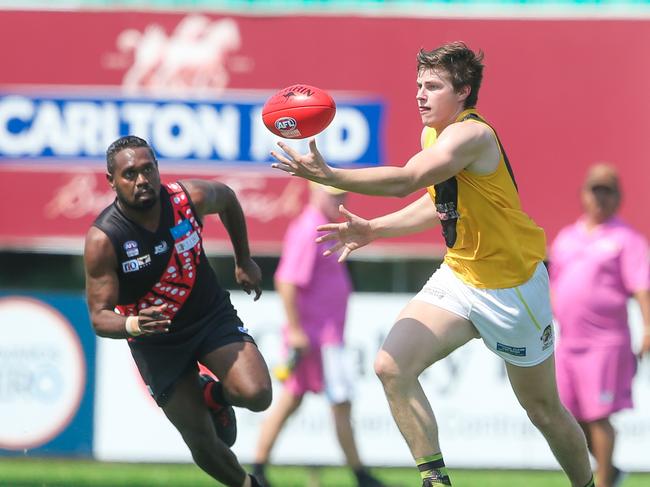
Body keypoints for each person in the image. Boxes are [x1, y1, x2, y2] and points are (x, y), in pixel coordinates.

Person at [270, 42, 595, 487]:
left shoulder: (471, 134)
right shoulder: (434, 135)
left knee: (541, 409)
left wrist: (330, 176)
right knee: (390, 366)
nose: (421, 95)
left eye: (434, 86)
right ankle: (435, 479)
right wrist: (374, 229)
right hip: (461, 275)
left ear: (463, 92)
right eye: (418, 85)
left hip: (513, 288)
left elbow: (408, 179)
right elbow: (437, 204)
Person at [84, 135, 272, 487]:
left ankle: (211, 393)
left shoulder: (188, 199)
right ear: (111, 181)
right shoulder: (104, 239)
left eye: (147, 169)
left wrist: (243, 259)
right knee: (203, 442)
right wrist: (134, 323)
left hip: (208, 316)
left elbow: (228, 199)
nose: (141, 180)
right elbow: (99, 317)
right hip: (155, 341)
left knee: (257, 394)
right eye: (129, 174)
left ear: (157, 169)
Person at [251, 182, 384, 487]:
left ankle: (257, 470)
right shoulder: (310, 228)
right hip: (316, 338)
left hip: (323, 336)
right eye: (333, 195)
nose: (340, 202)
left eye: (344, 196)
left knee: (299, 400)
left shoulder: (322, 227)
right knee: (337, 402)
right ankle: (362, 476)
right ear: (314, 192)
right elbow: (286, 281)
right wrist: (296, 331)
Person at [549, 163, 650, 487]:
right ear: (583, 195)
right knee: (568, 417)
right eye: (595, 190)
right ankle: (612, 471)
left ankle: (603, 482)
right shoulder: (566, 237)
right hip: (569, 342)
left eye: (607, 191)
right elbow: (553, 285)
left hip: (605, 343)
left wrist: (648, 329)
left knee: (599, 416)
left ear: (618, 197)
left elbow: (641, 288)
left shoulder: (627, 240)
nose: (600, 197)